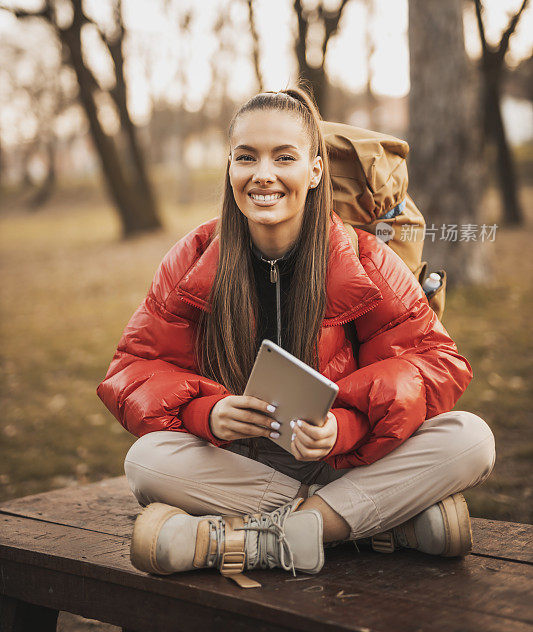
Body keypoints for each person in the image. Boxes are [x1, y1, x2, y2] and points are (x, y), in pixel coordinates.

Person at [96, 86, 495, 587]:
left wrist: (343, 427)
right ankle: (378, 523)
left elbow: (439, 361)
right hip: (241, 464)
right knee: (145, 462)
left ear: (315, 170)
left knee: (471, 439)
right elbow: (132, 369)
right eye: (247, 157)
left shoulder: (365, 257)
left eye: (284, 156)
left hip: (344, 462)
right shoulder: (195, 255)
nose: (263, 174)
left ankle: (250, 539)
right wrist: (208, 413)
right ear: (230, 167)